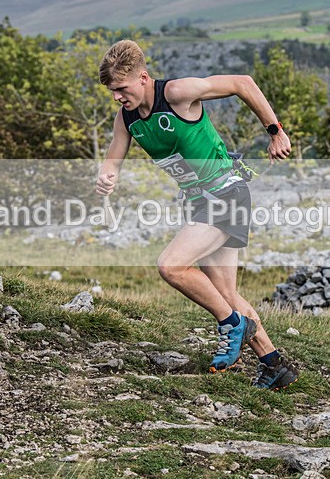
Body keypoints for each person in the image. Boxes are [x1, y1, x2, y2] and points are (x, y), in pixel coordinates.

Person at [96, 40, 299, 391]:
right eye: (112, 90)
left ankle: (231, 325)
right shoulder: (127, 118)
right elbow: (114, 156)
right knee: (226, 295)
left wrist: (275, 131)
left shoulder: (177, 93)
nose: (117, 96)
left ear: (143, 77)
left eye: (121, 88)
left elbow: (243, 83)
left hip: (225, 193)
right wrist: (107, 175)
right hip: (198, 201)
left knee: (171, 265)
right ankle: (274, 364)